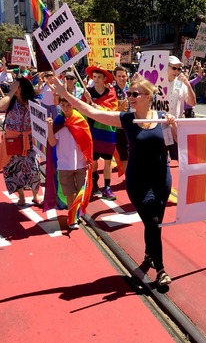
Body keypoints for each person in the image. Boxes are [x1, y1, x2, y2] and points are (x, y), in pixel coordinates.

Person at [51, 75, 176, 286]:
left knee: (155, 224)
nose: (130, 97)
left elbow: (174, 144)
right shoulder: (126, 119)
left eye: (135, 94)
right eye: (129, 94)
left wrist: (173, 126)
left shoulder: (163, 118)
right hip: (138, 181)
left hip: (161, 179)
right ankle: (161, 269)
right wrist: (66, 95)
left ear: (148, 96)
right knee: (153, 222)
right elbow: (93, 112)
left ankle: (148, 255)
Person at [46, 96, 93, 230]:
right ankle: (72, 218)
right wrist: (50, 127)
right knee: (69, 193)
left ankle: (77, 213)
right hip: (64, 164)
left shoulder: (80, 121)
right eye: (63, 105)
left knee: (81, 191)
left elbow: (88, 142)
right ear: (59, 105)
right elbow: (52, 142)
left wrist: (88, 159)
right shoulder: (58, 122)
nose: (66, 108)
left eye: (69, 105)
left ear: (73, 105)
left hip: (80, 164)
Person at [0, 78, 41, 206]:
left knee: (34, 169)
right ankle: (21, 196)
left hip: (30, 143)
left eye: (17, 86)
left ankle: (35, 195)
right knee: (12, 169)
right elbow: (0, 105)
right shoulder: (10, 102)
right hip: (12, 142)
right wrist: (11, 92)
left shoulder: (34, 103)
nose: (14, 87)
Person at [82, 66, 118, 200]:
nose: (96, 80)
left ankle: (107, 187)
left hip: (107, 131)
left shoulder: (111, 93)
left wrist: (97, 106)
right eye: (94, 77)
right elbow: (82, 109)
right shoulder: (88, 92)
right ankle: (94, 182)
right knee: (94, 160)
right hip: (91, 130)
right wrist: (86, 101)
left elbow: (112, 109)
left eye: (99, 77)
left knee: (108, 161)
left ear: (104, 79)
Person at [112, 66, 130, 173]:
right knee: (123, 154)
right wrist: (120, 108)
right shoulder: (111, 92)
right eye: (119, 76)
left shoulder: (133, 89)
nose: (122, 78)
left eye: (123, 76)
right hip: (119, 127)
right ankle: (127, 178)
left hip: (132, 125)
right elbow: (109, 111)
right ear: (115, 77)